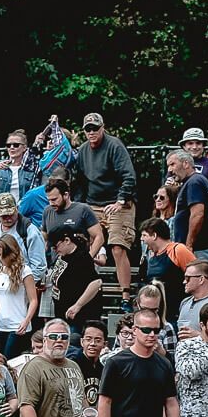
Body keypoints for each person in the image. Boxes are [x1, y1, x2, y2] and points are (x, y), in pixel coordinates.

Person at [74, 112, 136, 308]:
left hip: (117, 202)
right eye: (88, 129)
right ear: (84, 131)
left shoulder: (114, 146)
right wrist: (79, 206)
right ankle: (86, 289)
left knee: (117, 247)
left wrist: (120, 200)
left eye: (95, 128)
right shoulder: (83, 151)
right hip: (92, 203)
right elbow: (80, 182)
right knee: (80, 243)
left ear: (103, 128)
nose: (92, 132)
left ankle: (125, 296)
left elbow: (129, 176)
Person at [0, 193, 46, 299]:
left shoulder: (29, 231)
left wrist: (24, 288)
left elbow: (39, 266)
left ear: (17, 209)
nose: (7, 218)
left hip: (18, 291)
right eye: (3, 216)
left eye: (10, 214)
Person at [0, 234, 38, 358]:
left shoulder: (25, 271)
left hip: (18, 323)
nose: (0, 258)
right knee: (0, 360)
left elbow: (33, 300)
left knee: (11, 359)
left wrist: (26, 321)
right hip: (1, 324)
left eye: (2, 255)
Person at [137, 218, 194, 323]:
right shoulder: (149, 256)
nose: (141, 239)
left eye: (144, 235)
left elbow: (197, 273)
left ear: (154, 236)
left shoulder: (178, 250)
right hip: (156, 314)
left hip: (177, 313)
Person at [48, 227, 104, 333]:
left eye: (56, 246)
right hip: (62, 311)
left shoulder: (81, 258)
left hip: (79, 315)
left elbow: (96, 282)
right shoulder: (63, 256)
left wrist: (78, 305)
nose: (55, 250)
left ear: (67, 241)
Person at [41, 178, 104, 259]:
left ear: (66, 195)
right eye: (49, 200)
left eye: (54, 199)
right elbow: (44, 240)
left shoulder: (83, 210)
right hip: (57, 265)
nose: (51, 203)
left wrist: (89, 259)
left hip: (79, 263)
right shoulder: (47, 211)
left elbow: (99, 237)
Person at [165, 148, 208, 259]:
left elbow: (197, 214)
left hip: (199, 249)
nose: (169, 170)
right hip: (196, 248)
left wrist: (189, 245)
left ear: (186, 164)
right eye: (168, 166)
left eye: (172, 164)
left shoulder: (194, 182)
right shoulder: (190, 182)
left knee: (198, 276)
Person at [0, 129, 40, 203]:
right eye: (8, 145)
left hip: (23, 211)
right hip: (1, 211)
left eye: (16, 145)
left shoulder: (31, 168)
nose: (12, 147)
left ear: (24, 148)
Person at [178, 261, 208, 340]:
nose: (184, 282)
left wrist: (198, 336)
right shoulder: (184, 303)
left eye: (187, 278)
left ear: (201, 279)